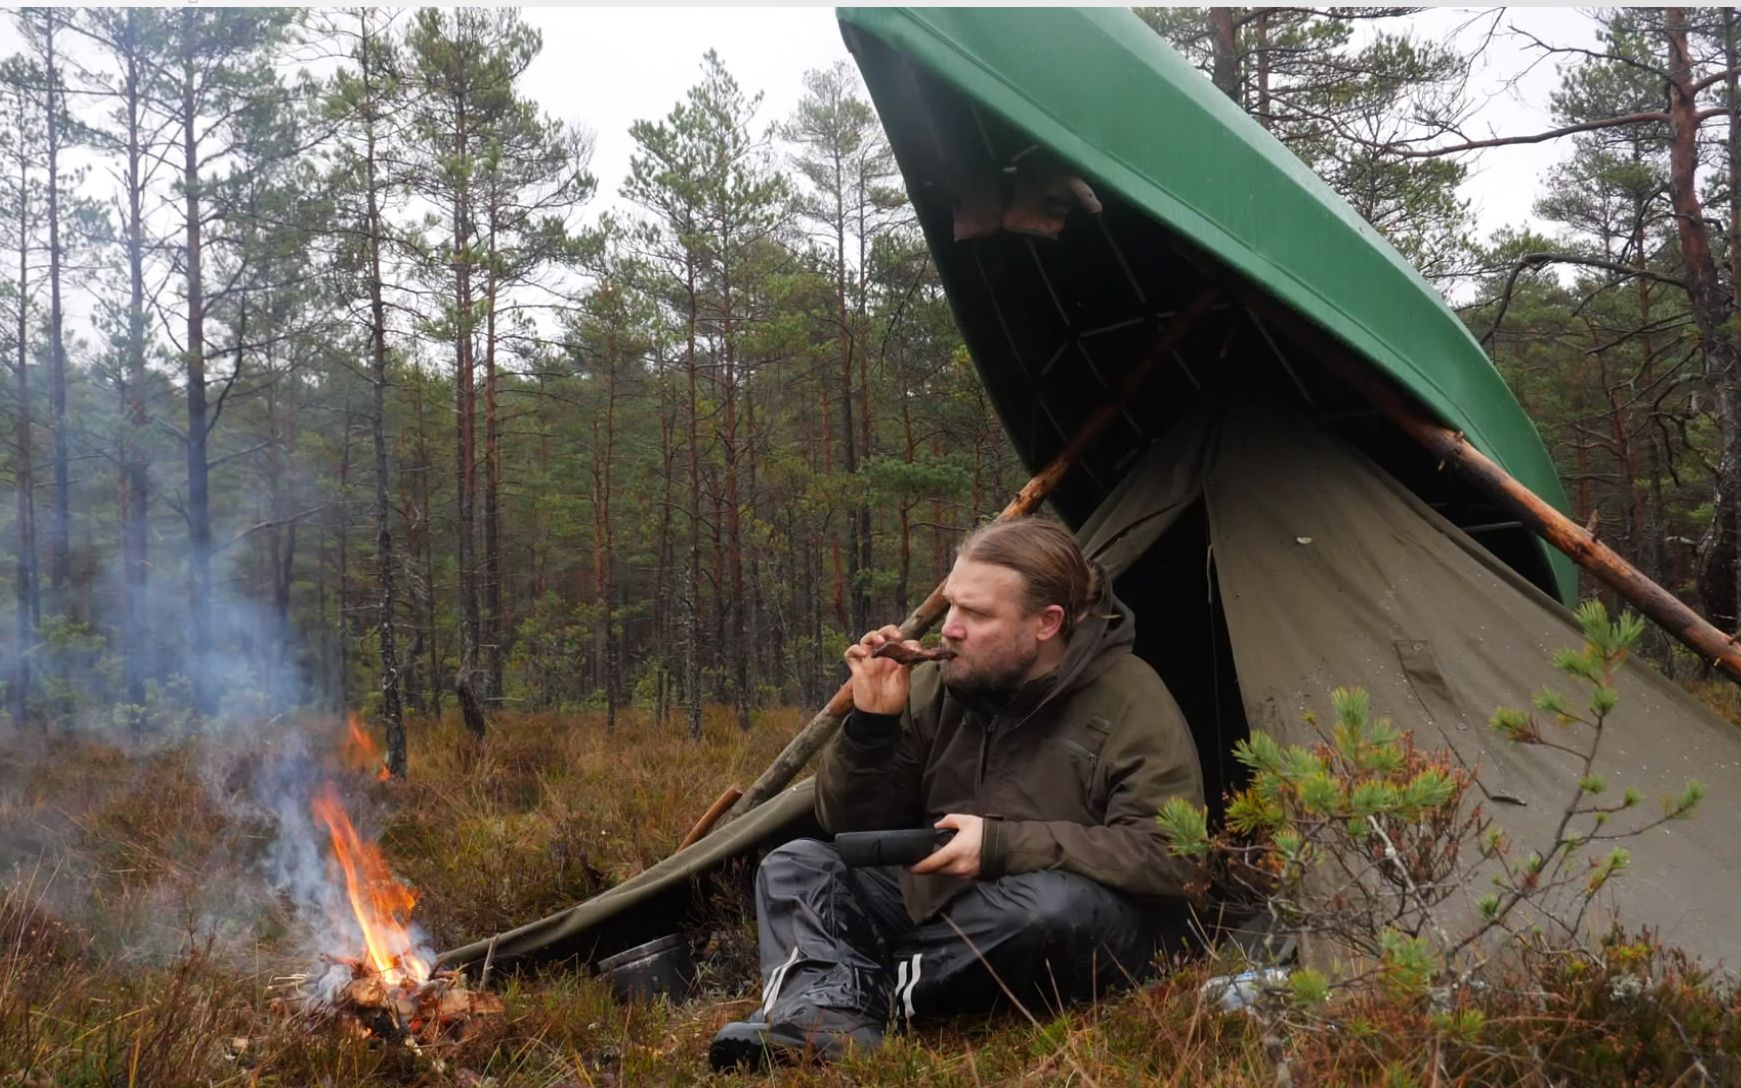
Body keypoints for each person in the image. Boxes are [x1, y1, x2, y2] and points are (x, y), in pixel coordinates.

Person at [709, 516, 1205, 1071]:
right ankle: (832, 1016)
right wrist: (872, 727)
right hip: (944, 907)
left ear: (1047, 623)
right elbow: (848, 820)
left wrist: (1001, 846)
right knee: (796, 864)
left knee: (1052, 910)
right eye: (952, 606)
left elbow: (1173, 859)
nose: (950, 629)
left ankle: (846, 995)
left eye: (977, 614)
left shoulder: (1129, 699)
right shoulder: (947, 683)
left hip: (1066, 920)